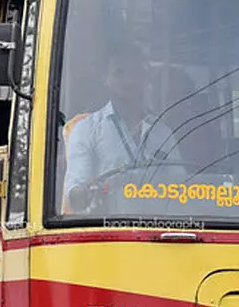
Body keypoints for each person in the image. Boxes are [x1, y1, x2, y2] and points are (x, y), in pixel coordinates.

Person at [62, 56, 184, 213]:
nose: (128, 80)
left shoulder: (162, 132)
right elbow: (74, 199)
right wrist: (85, 192)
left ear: (144, 78)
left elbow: (181, 187)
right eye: (119, 73)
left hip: (159, 224)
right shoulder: (86, 130)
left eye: (135, 72)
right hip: (107, 225)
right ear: (105, 79)